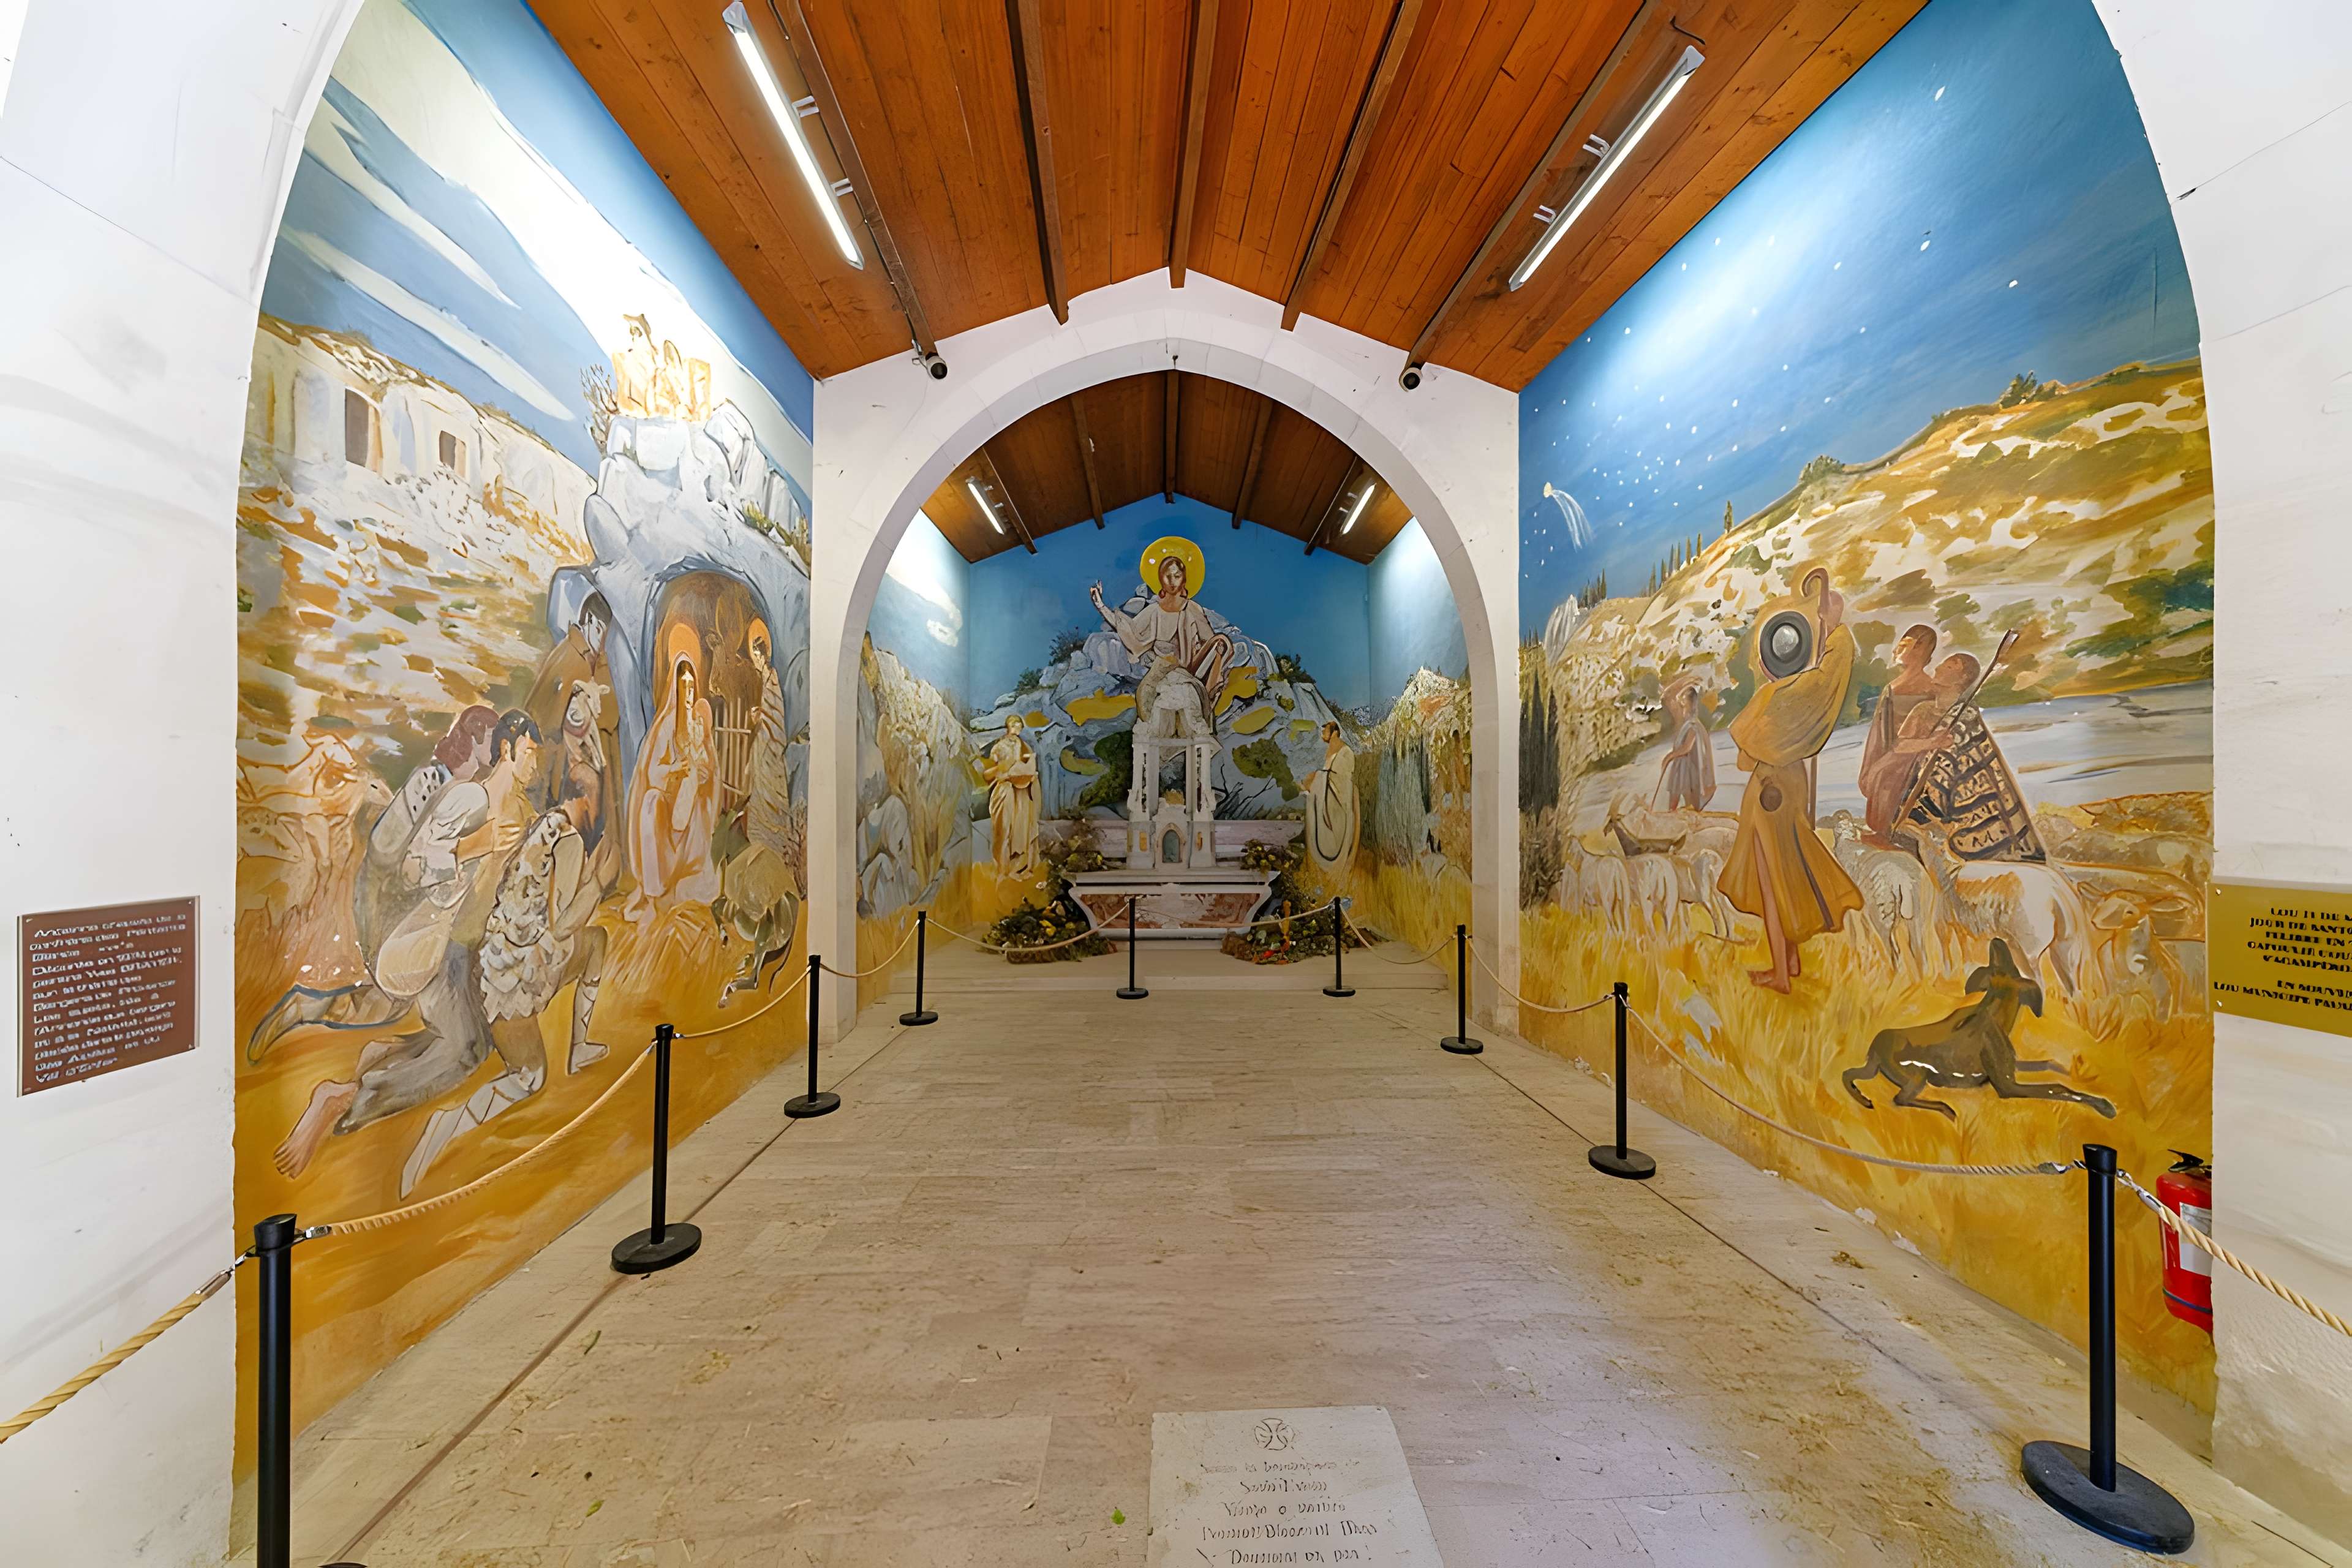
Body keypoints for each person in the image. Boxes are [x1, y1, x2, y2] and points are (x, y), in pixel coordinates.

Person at [1718, 573, 1864, 993]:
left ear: (1769, 660)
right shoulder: (1799, 690)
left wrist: (1832, 622)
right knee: (1784, 872)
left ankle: (1782, 974)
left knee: (1772, 877)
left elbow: (1748, 756)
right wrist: (1833, 626)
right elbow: (1830, 672)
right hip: (1787, 786)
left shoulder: (1775, 696)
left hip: (1770, 794)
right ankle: (1790, 963)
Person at [1089, 550, 1233, 739]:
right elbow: (1127, 629)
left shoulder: (1192, 609)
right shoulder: (1154, 611)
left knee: (1189, 699)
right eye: (1168, 576)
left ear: (1184, 579)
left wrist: (1213, 656)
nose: (1173, 581)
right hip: (1158, 671)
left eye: (1177, 575)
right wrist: (1100, 605)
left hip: (1186, 671)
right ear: (1160, 579)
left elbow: (1213, 641)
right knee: (1147, 704)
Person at [627, 654, 720, 914]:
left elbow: (708, 764)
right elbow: (653, 771)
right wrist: (674, 770)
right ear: (676, 689)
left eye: (692, 687)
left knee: (701, 803)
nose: (689, 694)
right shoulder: (669, 724)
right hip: (669, 799)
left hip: (689, 798)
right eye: (684, 687)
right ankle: (657, 889)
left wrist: (702, 772)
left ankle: (693, 880)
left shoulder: (697, 724)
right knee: (650, 804)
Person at [526, 595, 618, 810]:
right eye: (602, 630)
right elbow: (540, 713)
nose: (603, 639)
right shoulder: (571, 657)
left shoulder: (590, 658)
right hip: (559, 772)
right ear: (592, 623)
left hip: (578, 769)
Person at [1857, 624, 1941, 846]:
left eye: (1904, 646)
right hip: (1896, 749)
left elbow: (1932, 723)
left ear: (1918, 651)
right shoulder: (1893, 688)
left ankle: (1887, 833)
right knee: (1882, 771)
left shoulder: (1929, 688)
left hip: (1916, 751)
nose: (1897, 651)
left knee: (1886, 774)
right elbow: (1881, 731)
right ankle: (1885, 831)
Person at [982, 714, 1041, 875]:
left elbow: (1029, 766)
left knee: (1020, 830)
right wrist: (1002, 770)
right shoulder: (1000, 746)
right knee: (1003, 830)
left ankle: (1019, 866)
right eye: (1015, 724)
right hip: (1005, 791)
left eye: (1020, 725)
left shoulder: (1026, 747)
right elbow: (988, 774)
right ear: (1008, 726)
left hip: (1021, 793)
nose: (1018, 727)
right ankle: (1002, 868)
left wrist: (1028, 774)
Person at [1303, 721, 1360, 873]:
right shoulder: (1330, 750)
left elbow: (1343, 779)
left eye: (1325, 731)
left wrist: (1319, 777)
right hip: (1327, 795)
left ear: (1334, 732)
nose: (1323, 735)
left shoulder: (1346, 751)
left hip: (1339, 799)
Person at [1656, 677, 1716, 812]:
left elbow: (1687, 747)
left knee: (1688, 802)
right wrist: (1685, 680)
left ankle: (1687, 824)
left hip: (1687, 769)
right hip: (1680, 767)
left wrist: (1670, 756)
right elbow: (1668, 697)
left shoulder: (1693, 724)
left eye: (1684, 702)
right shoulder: (1685, 721)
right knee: (1675, 801)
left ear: (1690, 704)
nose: (1681, 705)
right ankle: (1672, 822)